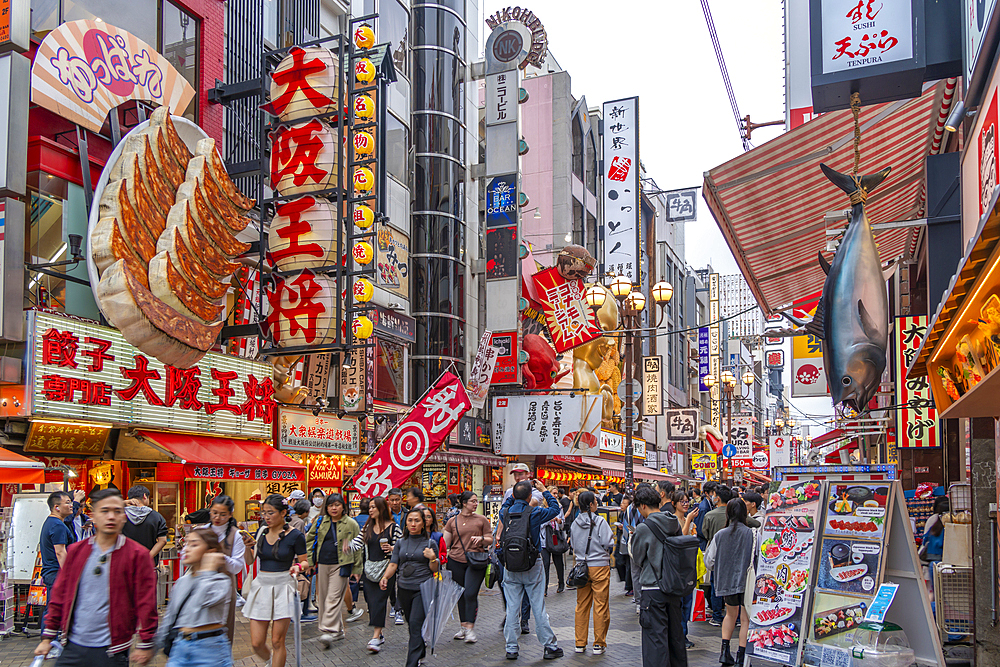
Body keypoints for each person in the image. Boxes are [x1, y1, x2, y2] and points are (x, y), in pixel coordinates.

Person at [35, 488, 158, 667]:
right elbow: (60, 596)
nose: (111, 517)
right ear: (94, 516)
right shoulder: (77, 552)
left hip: (112, 650)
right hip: (73, 646)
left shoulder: (137, 555)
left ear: (124, 517)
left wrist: (145, 643)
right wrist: (48, 637)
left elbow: (146, 603)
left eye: (117, 512)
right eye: (104, 511)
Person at [498, 479, 564, 660]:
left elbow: (507, 504)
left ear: (513, 496)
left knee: (512, 609)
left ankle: (511, 648)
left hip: (510, 566)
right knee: (538, 607)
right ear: (529, 496)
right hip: (533, 565)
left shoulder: (505, 513)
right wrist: (544, 490)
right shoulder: (535, 512)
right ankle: (549, 646)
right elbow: (555, 509)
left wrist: (512, 496)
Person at [242, 494, 307, 667]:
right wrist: (247, 547)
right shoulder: (261, 531)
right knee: (257, 643)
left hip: (283, 585)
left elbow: (305, 561)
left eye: (270, 513)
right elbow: (250, 560)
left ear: (283, 512)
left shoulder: (295, 536)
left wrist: (298, 567)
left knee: (278, 641)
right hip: (261, 586)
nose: (266, 517)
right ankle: (271, 660)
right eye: (264, 513)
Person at [158, 528, 233, 667]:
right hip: (180, 648)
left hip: (210, 650)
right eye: (186, 543)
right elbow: (170, 618)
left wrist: (207, 570)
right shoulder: (182, 582)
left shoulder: (221, 581)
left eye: (194, 544)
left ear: (209, 551)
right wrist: (150, 648)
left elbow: (200, 601)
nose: (186, 549)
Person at [631, 486, 686, 667]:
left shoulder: (644, 527)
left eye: (639, 507)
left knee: (656, 639)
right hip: (674, 586)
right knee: (675, 636)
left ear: (644, 505)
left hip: (653, 589)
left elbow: (638, 559)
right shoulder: (674, 522)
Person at [379, 508, 440, 667]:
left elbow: (435, 569)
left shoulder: (430, 543)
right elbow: (393, 564)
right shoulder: (400, 542)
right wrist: (385, 577)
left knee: (414, 623)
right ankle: (420, 651)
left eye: (417, 520)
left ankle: (411, 663)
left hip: (423, 589)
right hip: (404, 588)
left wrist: (433, 558)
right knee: (411, 623)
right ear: (406, 523)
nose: (413, 524)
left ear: (423, 523)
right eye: (410, 520)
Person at [193, 495, 254, 642]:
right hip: (201, 585)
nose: (217, 517)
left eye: (222, 514)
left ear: (230, 514)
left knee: (223, 631)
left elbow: (237, 567)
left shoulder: (236, 535)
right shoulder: (201, 531)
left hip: (225, 588)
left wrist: (219, 555)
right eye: (214, 513)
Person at [306, 493, 362, 647]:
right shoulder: (320, 521)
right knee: (323, 599)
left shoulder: (351, 523)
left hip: (342, 564)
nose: (334, 508)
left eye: (337, 504)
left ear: (343, 506)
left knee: (333, 597)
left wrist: (357, 569)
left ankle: (328, 629)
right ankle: (337, 631)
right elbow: (310, 540)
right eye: (331, 505)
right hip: (323, 564)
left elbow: (358, 548)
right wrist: (310, 561)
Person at [704, 498, 755, 667]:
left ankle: (725, 653)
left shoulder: (720, 534)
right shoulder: (753, 534)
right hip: (747, 583)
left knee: (730, 615)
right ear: (744, 513)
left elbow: (709, 561)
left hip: (726, 581)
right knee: (745, 619)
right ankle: (741, 656)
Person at [348, 496, 402, 653]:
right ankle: (380, 634)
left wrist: (392, 549)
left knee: (379, 601)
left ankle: (376, 636)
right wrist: (346, 546)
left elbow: (401, 545)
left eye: (373, 507)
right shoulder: (367, 527)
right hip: (370, 569)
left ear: (381, 509)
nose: (370, 510)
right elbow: (357, 543)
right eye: (369, 507)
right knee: (371, 603)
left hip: (387, 569)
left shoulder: (393, 527)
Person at [443, 491, 493, 644]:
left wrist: (482, 539)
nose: (475, 504)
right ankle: (463, 626)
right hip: (456, 561)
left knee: (470, 594)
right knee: (460, 594)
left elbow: (490, 539)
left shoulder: (482, 520)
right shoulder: (452, 521)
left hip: (476, 561)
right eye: (472, 501)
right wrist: (440, 557)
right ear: (464, 503)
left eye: (476, 501)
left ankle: (470, 628)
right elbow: (446, 543)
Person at [570, 490, 614, 655]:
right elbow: (607, 541)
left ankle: (580, 643)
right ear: (591, 505)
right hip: (600, 566)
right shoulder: (600, 521)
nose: (597, 503)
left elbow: (573, 545)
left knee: (582, 605)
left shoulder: (575, 523)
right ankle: (598, 643)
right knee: (600, 605)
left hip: (582, 567)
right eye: (595, 501)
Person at [40, 491, 75, 631]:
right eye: (67, 502)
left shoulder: (52, 522)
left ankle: (50, 640)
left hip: (52, 573)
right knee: (52, 609)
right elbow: (60, 552)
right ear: (56, 507)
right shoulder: (57, 526)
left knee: (53, 608)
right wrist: (69, 575)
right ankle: (47, 642)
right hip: (56, 573)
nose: (71, 505)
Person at [702, 485, 733, 627]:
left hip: (716, 556)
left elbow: (706, 535)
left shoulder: (710, 515)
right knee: (733, 585)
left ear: (718, 498)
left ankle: (716, 615)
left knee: (715, 586)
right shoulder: (734, 514)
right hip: (732, 555)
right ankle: (735, 616)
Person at [671, 490, 699, 649]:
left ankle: (683, 633)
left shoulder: (690, 521)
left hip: (689, 566)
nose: (686, 503)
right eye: (682, 501)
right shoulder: (674, 520)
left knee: (688, 603)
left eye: (687, 501)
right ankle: (680, 636)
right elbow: (680, 540)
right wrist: (688, 520)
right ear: (674, 504)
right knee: (680, 604)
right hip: (678, 569)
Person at [122, 485, 168, 565]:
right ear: (144, 496)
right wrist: (147, 557)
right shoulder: (156, 516)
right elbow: (163, 541)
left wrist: (122, 503)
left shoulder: (119, 514)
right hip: (148, 566)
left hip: (125, 563)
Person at [540, 511, 566, 596]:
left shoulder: (559, 509)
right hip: (544, 541)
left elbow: (562, 526)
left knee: (558, 563)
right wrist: (548, 520)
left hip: (555, 539)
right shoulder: (542, 510)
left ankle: (561, 583)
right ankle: (544, 588)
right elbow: (539, 525)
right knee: (545, 564)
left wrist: (559, 522)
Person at [613, 494, 633, 597]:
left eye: (624, 503)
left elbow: (633, 528)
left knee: (629, 565)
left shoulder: (631, 514)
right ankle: (626, 581)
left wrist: (625, 528)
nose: (622, 505)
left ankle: (630, 586)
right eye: (622, 503)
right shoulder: (621, 514)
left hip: (628, 541)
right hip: (621, 541)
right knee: (619, 561)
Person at [693, 481, 718, 550]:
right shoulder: (704, 508)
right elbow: (700, 529)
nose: (715, 495)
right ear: (706, 493)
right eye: (713, 492)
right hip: (703, 543)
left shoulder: (710, 504)